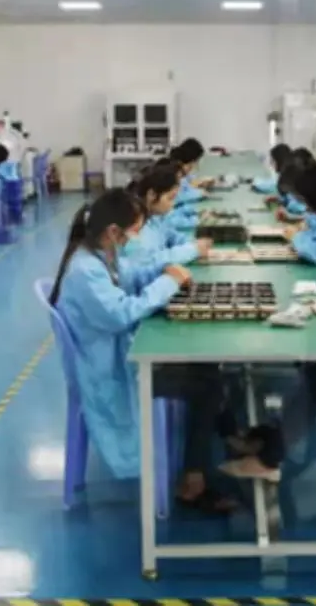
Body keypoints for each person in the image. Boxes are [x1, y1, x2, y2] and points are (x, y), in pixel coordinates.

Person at [50, 189, 234, 513]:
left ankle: (226, 442)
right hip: (111, 373)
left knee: (205, 368)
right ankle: (193, 482)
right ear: (114, 232)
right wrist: (168, 284)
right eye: (135, 231)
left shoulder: (101, 257)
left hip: (118, 356)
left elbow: (133, 274)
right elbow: (122, 314)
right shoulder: (85, 271)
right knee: (206, 384)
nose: (138, 238)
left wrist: (169, 272)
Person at [123, 162, 211, 267]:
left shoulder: (155, 218)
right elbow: (151, 261)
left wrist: (195, 243)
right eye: (170, 198)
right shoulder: (136, 226)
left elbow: (172, 236)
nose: (173, 204)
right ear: (152, 195)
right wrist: (192, 250)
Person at [171, 138, 209, 207]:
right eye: (190, 165)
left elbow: (187, 180)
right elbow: (175, 197)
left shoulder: (181, 167)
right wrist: (199, 193)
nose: (193, 166)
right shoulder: (173, 171)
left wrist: (199, 182)